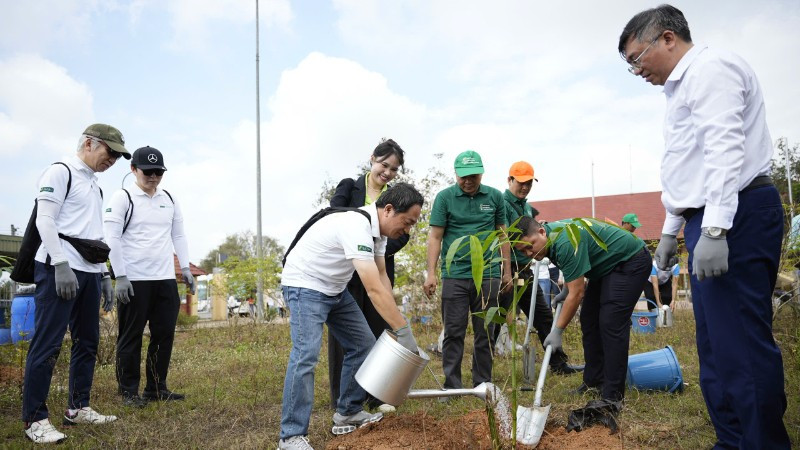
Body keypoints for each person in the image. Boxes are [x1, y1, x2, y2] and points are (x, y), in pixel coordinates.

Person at [619, 5, 791, 448]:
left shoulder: (710, 70)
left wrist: (715, 229)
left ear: (668, 38)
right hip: (710, 216)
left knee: (741, 345)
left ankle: (762, 443)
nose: (636, 70)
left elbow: (723, 151)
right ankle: (731, 440)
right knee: (715, 345)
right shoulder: (680, 90)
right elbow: (687, 168)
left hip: (736, 214)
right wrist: (671, 231)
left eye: (637, 58)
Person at [278, 183, 423, 450]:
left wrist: (399, 322)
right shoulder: (356, 225)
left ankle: (348, 412)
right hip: (305, 285)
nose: (407, 230)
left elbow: (382, 277)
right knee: (305, 355)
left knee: (363, 345)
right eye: (407, 222)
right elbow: (372, 288)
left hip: (334, 289)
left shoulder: (379, 235)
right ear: (388, 209)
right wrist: (403, 330)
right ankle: (291, 436)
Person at [21, 124, 130, 443]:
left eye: (118, 157)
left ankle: (78, 407)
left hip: (89, 272)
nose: (113, 160)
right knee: (48, 343)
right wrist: (60, 263)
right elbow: (45, 219)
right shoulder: (61, 172)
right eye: (110, 152)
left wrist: (104, 274)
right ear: (89, 143)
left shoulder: (95, 185)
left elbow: (93, 234)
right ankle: (34, 419)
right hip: (59, 268)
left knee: (88, 341)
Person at [512, 215, 651, 428]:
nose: (530, 254)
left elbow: (577, 294)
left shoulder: (564, 241)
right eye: (523, 251)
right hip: (605, 266)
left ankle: (612, 395)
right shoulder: (549, 241)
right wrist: (567, 289)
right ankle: (594, 381)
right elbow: (575, 273)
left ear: (541, 231)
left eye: (530, 246)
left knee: (611, 323)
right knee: (589, 320)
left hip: (629, 260)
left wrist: (557, 331)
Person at [103, 146, 194, 408]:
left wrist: (185, 268)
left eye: (158, 172)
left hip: (164, 279)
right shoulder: (123, 198)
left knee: (163, 335)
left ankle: (156, 387)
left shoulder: (169, 198)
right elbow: (112, 238)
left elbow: (178, 235)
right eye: (148, 172)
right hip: (134, 280)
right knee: (130, 337)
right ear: (133, 169)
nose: (153, 177)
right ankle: (128, 391)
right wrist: (120, 276)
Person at [327, 138, 408, 411]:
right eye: (384, 165)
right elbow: (334, 217)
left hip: (379, 268)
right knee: (345, 337)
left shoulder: (396, 197)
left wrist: (376, 249)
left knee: (377, 331)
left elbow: (402, 234)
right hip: (347, 273)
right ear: (372, 158)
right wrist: (361, 244)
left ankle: (376, 394)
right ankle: (342, 397)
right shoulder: (348, 187)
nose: (387, 172)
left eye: (394, 169)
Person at [423, 150, 512, 392]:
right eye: (463, 176)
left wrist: (506, 271)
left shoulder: (495, 197)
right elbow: (435, 237)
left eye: (474, 176)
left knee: (486, 331)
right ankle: (452, 386)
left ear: (481, 174)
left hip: (489, 273)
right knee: (453, 332)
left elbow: (503, 235)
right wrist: (431, 273)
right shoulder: (445, 198)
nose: (468, 181)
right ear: (456, 174)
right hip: (455, 274)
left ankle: (482, 383)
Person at [497, 161, 581, 375]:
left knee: (543, 316)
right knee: (496, 319)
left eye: (529, 183)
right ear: (509, 180)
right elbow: (504, 238)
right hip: (506, 271)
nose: (525, 187)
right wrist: (507, 272)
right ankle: (482, 371)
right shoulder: (502, 204)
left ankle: (558, 364)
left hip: (525, 270)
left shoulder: (526, 206)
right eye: (521, 182)